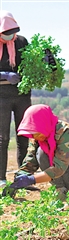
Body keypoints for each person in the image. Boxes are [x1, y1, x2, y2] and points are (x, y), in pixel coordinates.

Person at [8, 104, 69, 200]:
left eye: (36, 133)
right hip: (67, 175)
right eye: (32, 133)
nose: (35, 137)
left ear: (44, 124)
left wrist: (31, 180)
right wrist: (16, 182)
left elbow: (59, 167)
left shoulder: (66, 132)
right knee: (41, 152)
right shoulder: (38, 137)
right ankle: (60, 189)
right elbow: (30, 162)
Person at [0, 11, 31, 188]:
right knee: (2, 138)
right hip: (1, 97)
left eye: (12, 32)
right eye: (6, 32)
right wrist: (4, 75)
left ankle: (24, 177)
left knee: (24, 136)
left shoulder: (21, 42)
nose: (9, 36)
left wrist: (47, 60)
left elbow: (31, 65)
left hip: (22, 96)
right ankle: (1, 179)